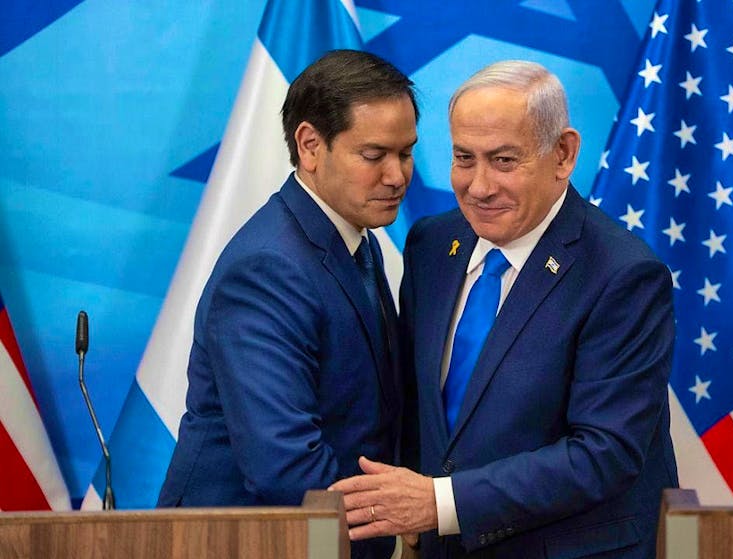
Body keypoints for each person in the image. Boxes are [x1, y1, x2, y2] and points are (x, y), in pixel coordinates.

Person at [331, 60, 678, 558]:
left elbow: (604, 453)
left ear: (563, 154)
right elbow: (417, 406)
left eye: (504, 160)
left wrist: (440, 503)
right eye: (464, 157)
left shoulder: (623, 276)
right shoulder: (432, 244)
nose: (479, 186)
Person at [158, 49, 418, 559]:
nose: (396, 176)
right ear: (310, 146)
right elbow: (285, 468)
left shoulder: (354, 238)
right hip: (240, 542)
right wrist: (390, 542)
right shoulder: (269, 267)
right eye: (374, 155)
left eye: (406, 153)